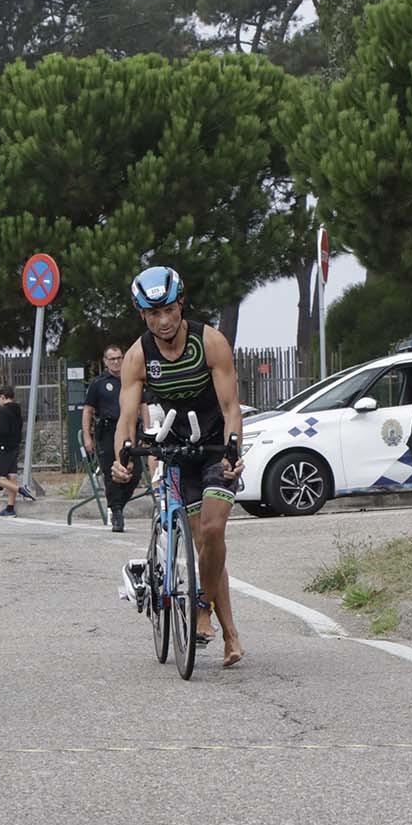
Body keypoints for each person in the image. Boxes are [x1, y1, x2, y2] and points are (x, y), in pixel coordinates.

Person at [110, 265, 246, 668]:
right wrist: (121, 458)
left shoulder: (210, 342)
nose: (164, 321)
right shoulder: (137, 356)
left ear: (181, 304)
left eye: (169, 310)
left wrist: (233, 450)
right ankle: (230, 634)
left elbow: (231, 407)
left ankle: (204, 609)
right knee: (201, 541)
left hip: (215, 445)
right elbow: (126, 418)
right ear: (143, 315)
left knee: (214, 529)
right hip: (175, 449)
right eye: (153, 314)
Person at [84, 344, 140, 532]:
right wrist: (87, 436)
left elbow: (143, 404)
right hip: (107, 431)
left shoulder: (131, 380)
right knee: (112, 473)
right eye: (112, 359)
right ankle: (116, 512)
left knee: (135, 473)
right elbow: (88, 410)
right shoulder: (98, 383)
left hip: (130, 430)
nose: (116, 362)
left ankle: (117, 506)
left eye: (119, 358)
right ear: (105, 361)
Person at [0, 385, 28, 517]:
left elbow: (4, 431)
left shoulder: (4, 410)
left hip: (5, 447)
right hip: (15, 445)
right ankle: (10, 508)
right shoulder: (17, 410)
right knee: (12, 476)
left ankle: (20, 490)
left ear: (2, 397)